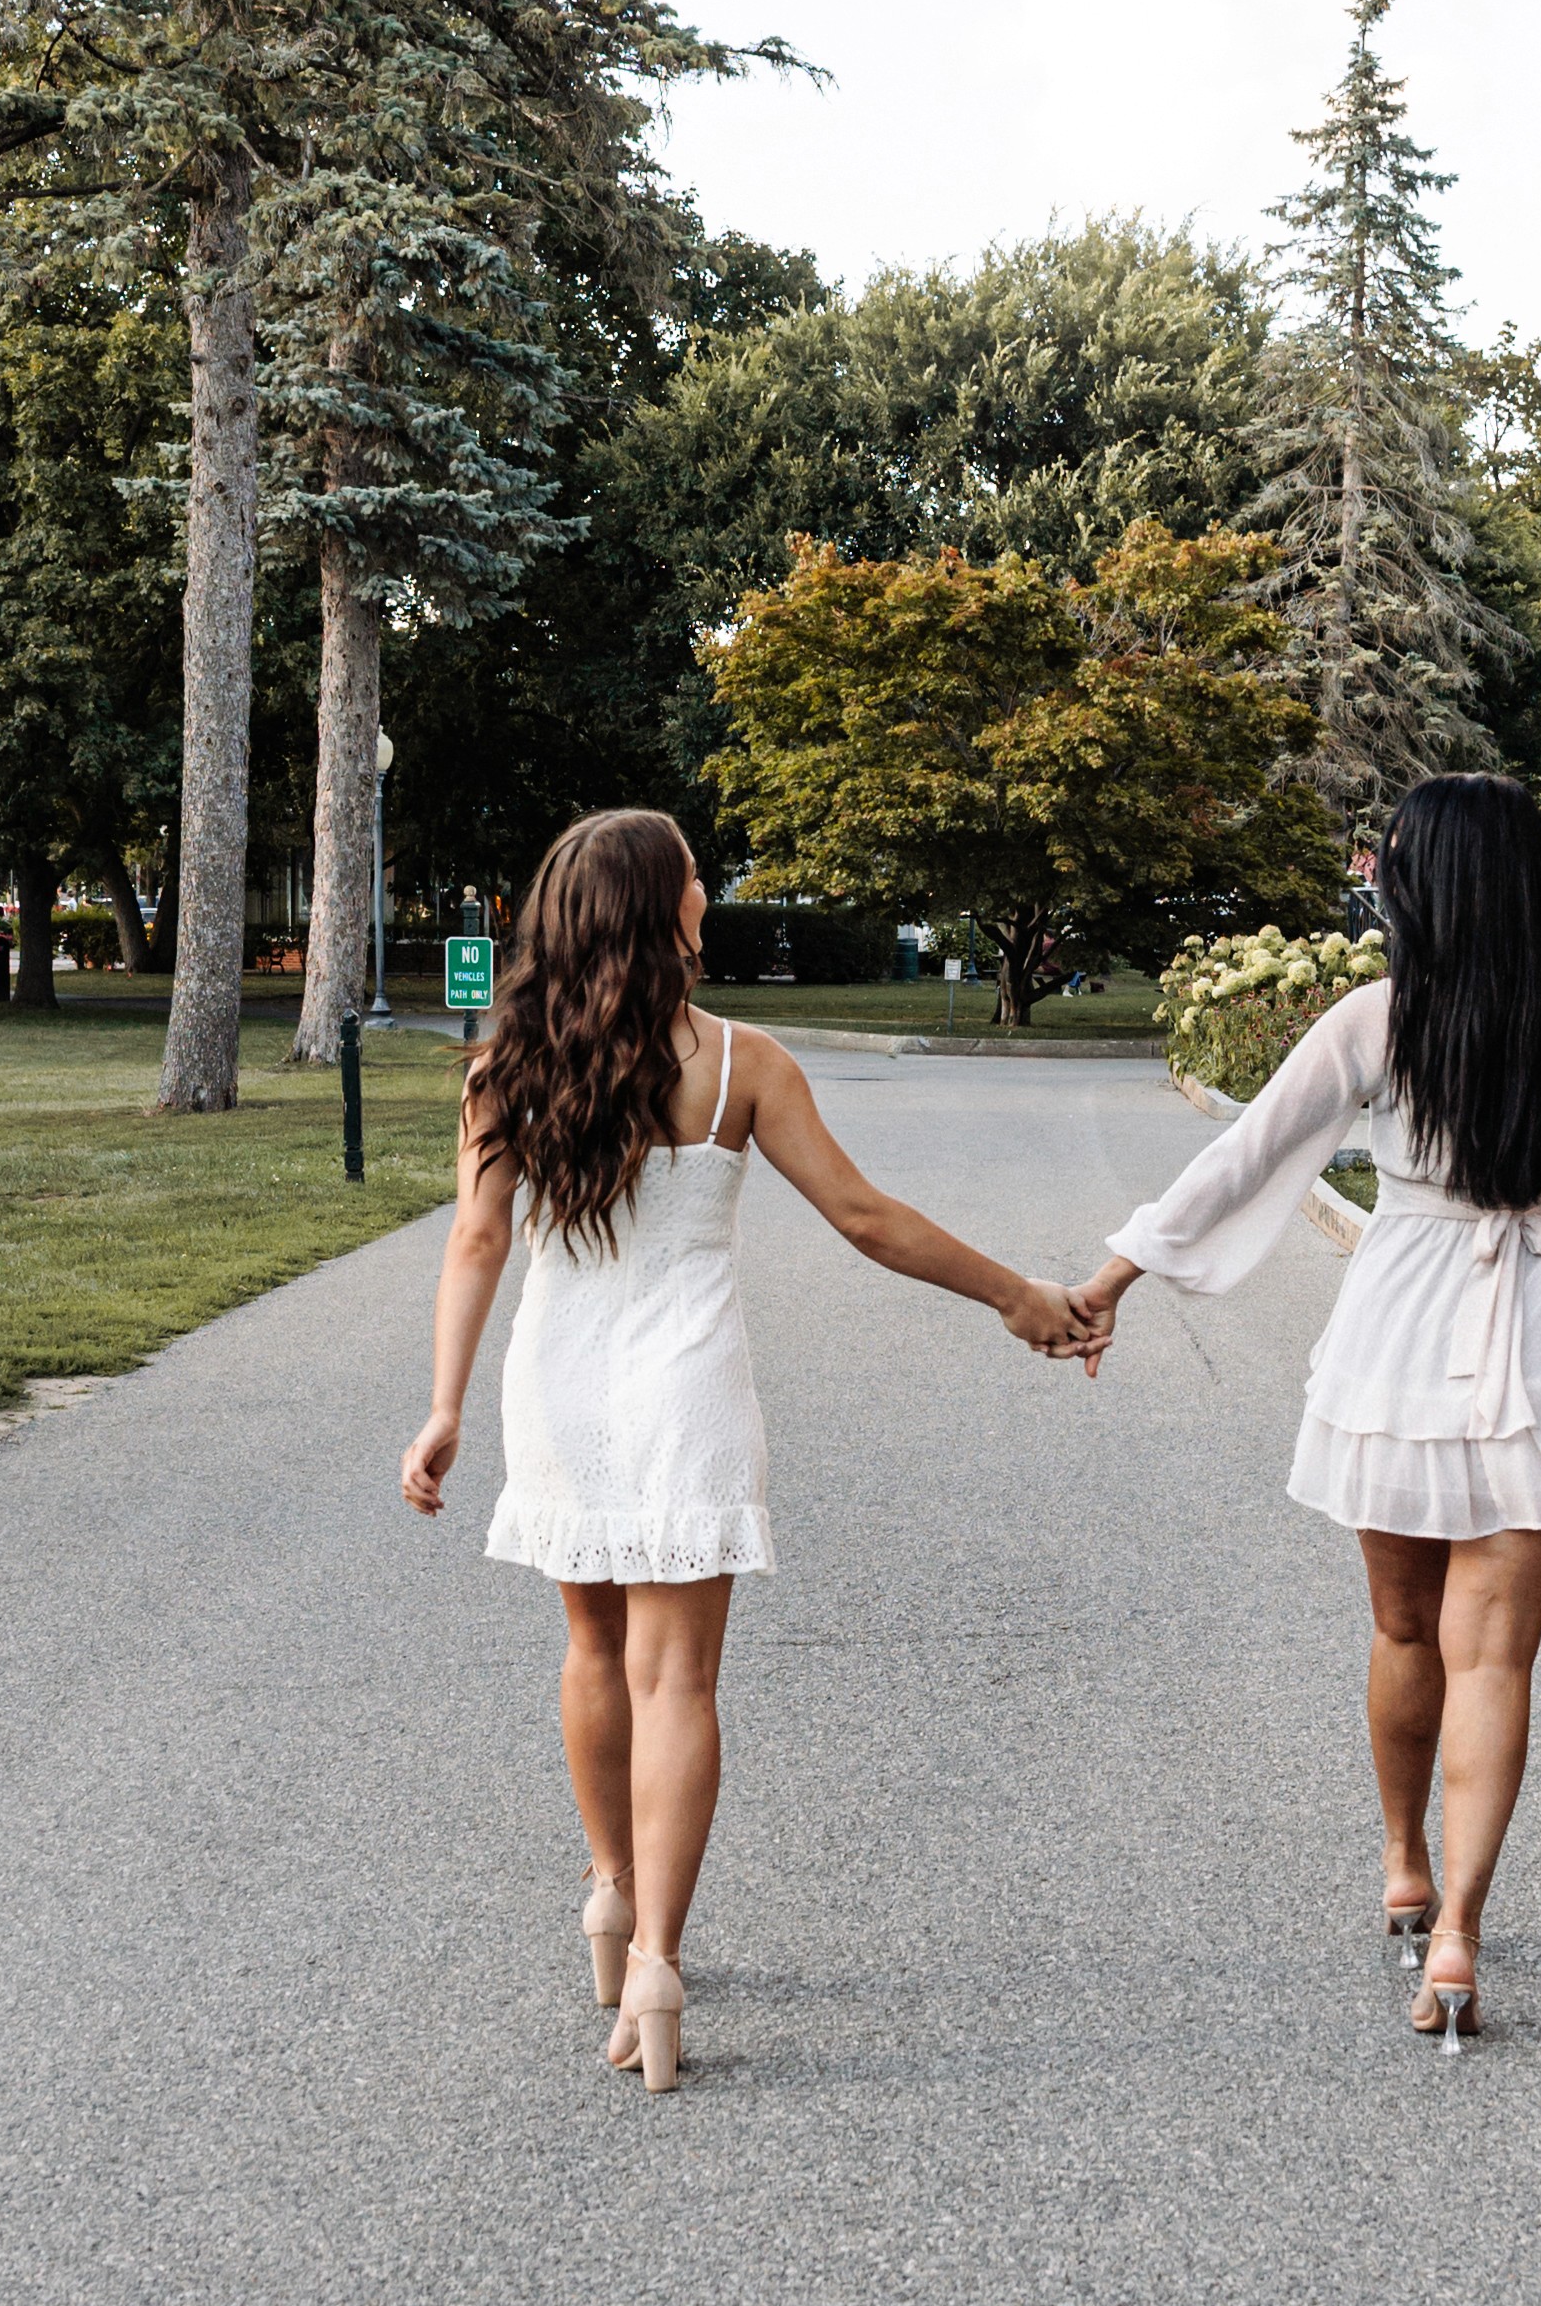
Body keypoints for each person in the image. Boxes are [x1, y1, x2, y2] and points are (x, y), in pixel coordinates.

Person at [401, 806, 1093, 2093]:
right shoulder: (739, 1065)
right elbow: (868, 1218)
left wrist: (443, 1405)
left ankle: (609, 1896)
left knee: (593, 1648)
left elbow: (476, 1245)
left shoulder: (504, 1066)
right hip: (686, 1391)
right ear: (658, 909)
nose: (709, 893)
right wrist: (1016, 1295)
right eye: (696, 879)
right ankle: (658, 1958)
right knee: (681, 1684)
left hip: (556, 1388)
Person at [1070, 774, 1541, 2049]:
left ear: (1424, 887)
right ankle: (1457, 1930)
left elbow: (1246, 1155)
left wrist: (1121, 1267)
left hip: (1400, 1345)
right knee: (1494, 1655)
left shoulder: (1379, 1020)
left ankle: (1404, 1857)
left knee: (1404, 1630)